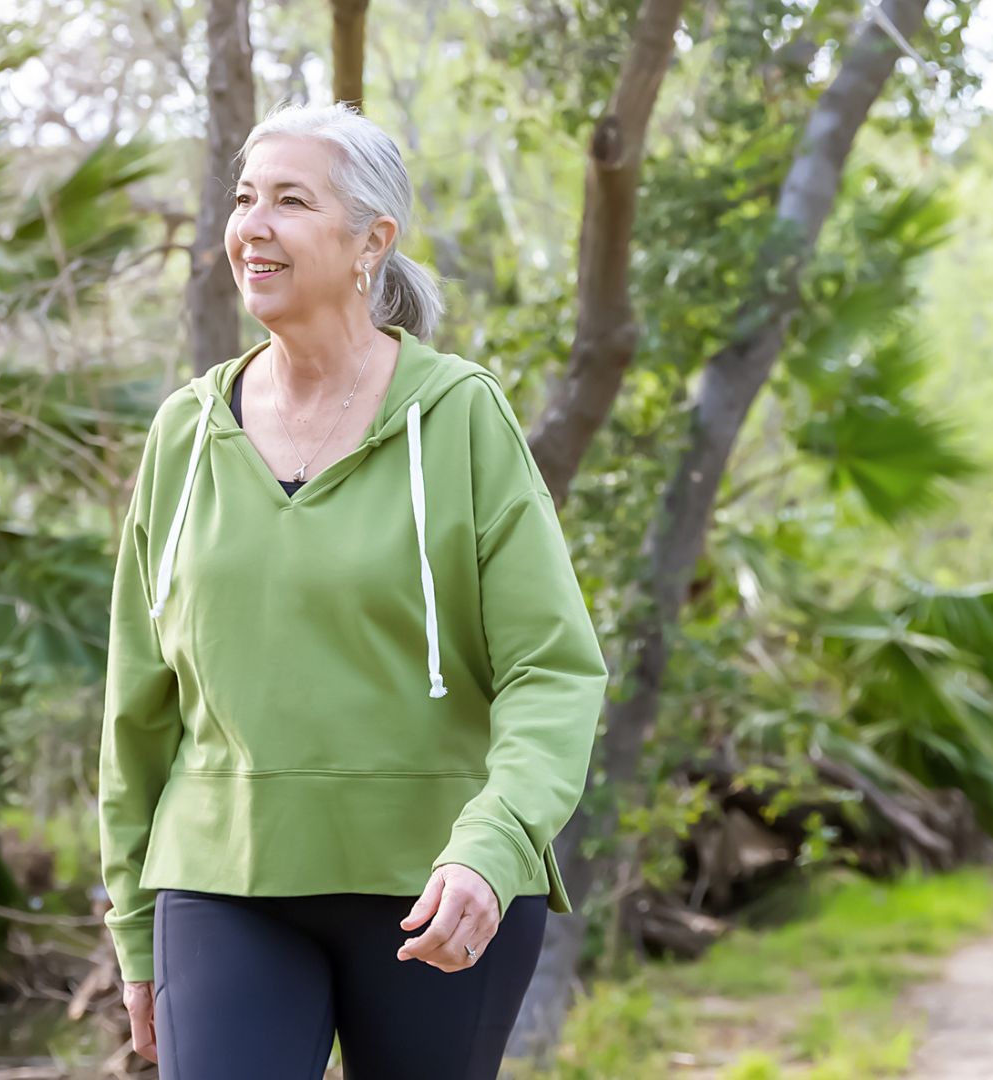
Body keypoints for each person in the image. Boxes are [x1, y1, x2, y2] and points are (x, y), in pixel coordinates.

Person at [97, 100, 609, 1079]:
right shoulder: (186, 436)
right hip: (223, 876)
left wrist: (492, 846)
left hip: (441, 888)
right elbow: (137, 701)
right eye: (246, 198)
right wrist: (131, 921)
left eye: (292, 200)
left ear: (374, 239)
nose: (255, 224)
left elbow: (553, 668)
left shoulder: (458, 416)